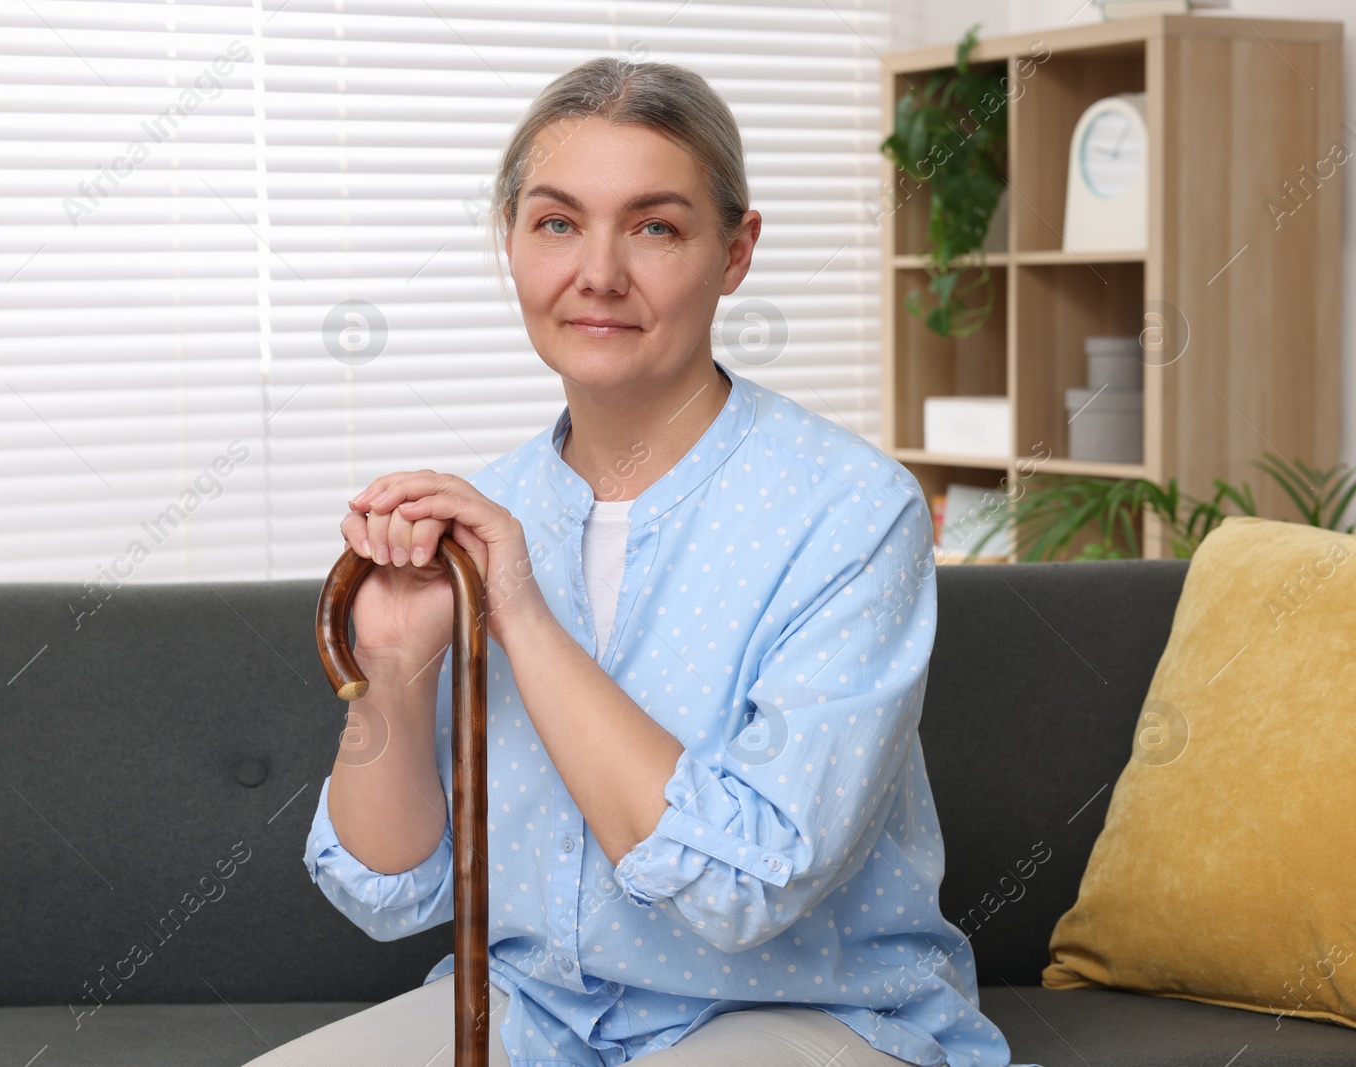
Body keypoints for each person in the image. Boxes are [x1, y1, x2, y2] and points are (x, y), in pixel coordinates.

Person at [243, 56, 1035, 1067]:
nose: (598, 273)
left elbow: (745, 883)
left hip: (801, 1010)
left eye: (655, 225)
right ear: (511, 239)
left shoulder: (850, 511)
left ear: (734, 251)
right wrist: (394, 674)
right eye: (556, 222)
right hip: (530, 1008)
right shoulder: (483, 516)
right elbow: (389, 885)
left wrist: (521, 616)